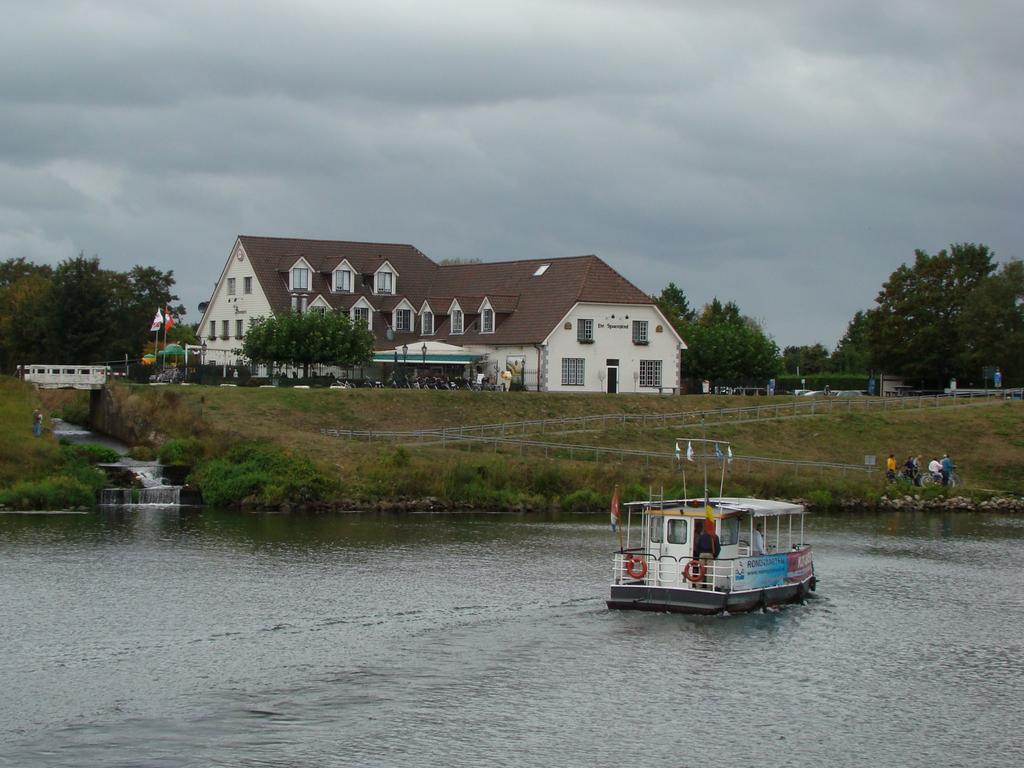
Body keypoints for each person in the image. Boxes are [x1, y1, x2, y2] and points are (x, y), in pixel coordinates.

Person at [694, 517, 721, 589]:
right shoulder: (714, 536)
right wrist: (715, 556)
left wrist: (699, 554)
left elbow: (698, 546)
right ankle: (709, 587)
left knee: (701, 571)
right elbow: (718, 548)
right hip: (710, 554)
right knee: (709, 572)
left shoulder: (702, 536)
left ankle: (698, 586)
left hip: (701, 554)